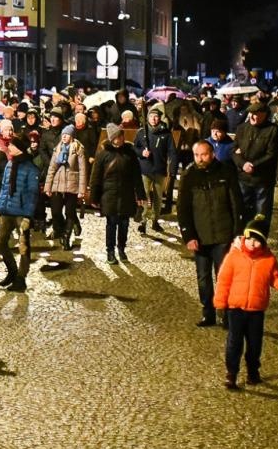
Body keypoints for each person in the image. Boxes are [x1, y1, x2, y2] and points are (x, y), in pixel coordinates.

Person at [212, 214, 278, 390]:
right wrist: (220, 304)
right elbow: (223, 280)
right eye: (250, 239)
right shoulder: (233, 256)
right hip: (236, 309)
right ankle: (231, 373)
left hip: (256, 310)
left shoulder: (269, 260)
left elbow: (277, 280)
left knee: (255, 344)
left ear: (263, 243)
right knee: (234, 342)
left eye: (257, 241)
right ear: (244, 237)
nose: (252, 244)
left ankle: (253, 372)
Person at [176, 139, 244, 328]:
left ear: (212, 153)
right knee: (203, 278)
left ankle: (225, 313)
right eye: (196, 155)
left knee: (223, 276)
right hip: (200, 236)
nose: (200, 158)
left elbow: (236, 203)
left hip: (223, 234)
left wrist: (238, 233)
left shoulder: (226, 172)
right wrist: (188, 236)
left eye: (204, 154)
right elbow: (183, 209)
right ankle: (208, 312)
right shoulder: (189, 175)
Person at [90, 129, 142, 265]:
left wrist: (141, 194)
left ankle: (121, 248)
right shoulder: (103, 155)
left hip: (126, 194)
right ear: (111, 138)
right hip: (109, 195)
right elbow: (96, 177)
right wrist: (94, 197)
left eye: (120, 137)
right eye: (116, 137)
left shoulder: (130, 153)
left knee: (124, 224)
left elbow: (136, 175)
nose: (118, 140)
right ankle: (110, 251)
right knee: (111, 224)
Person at [0, 139, 39, 292]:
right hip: (7, 211)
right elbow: (4, 188)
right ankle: (12, 270)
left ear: (19, 148)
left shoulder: (31, 168)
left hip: (21, 213)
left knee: (24, 247)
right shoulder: (9, 164)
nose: (9, 147)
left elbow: (33, 195)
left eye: (11, 145)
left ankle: (21, 278)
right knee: (0, 242)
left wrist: (28, 216)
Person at [231, 102, 278, 234]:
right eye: (251, 114)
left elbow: (271, 154)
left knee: (262, 213)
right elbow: (234, 150)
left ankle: (259, 239)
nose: (252, 117)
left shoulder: (272, 130)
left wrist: (254, 165)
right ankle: (243, 237)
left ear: (264, 115)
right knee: (243, 210)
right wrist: (243, 164)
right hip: (243, 178)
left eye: (256, 114)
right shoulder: (242, 128)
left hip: (262, 179)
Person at [43, 122, 89, 251]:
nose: (64, 137)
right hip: (57, 185)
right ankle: (67, 228)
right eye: (63, 134)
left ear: (72, 136)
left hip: (72, 185)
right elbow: (52, 168)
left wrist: (82, 190)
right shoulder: (58, 148)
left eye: (67, 135)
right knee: (56, 212)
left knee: (70, 212)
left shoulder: (78, 148)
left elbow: (82, 170)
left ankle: (66, 236)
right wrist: (48, 187)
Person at [133, 107, 176, 235]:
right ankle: (143, 220)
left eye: (156, 116)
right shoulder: (142, 132)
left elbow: (172, 152)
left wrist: (172, 169)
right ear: (147, 118)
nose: (154, 119)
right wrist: (142, 152)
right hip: (145, 168)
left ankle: (155, 220)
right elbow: (135, 147)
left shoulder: (166, 134)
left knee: (158, 197)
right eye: (151, 116)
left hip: (159, 169)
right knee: (144, 195)